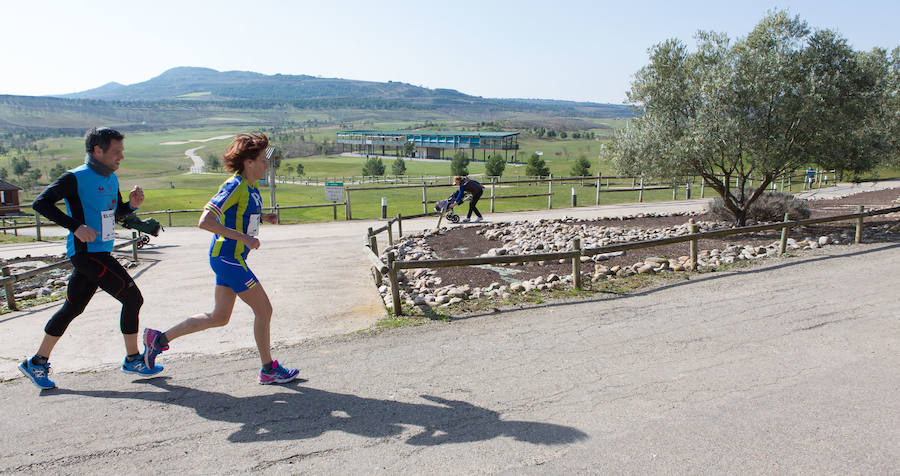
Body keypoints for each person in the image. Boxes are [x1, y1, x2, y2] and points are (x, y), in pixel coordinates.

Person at [142, 132, 299, 385]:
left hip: (231, 258)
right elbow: (205, 221)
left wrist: (265, 218)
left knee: (219, 317)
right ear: (248, 162)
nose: (265, 165)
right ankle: (268, 368)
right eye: (261, 160)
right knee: (264, 309)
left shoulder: (251, 187)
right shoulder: (234, 185)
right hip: (228, 258)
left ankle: (158, 340)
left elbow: (241, 218)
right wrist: (245, 239)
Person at [22, 127, 162, 389]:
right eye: (116, 151)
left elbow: (115, 213)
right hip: (86, 254)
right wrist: (75, 226)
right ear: (98, 151)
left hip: (100, 252)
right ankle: (132, 358)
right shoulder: (75, 177)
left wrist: (131, 206)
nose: (121, 156)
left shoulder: (110, 178)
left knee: (72, 308)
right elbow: (40, 203)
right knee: (133, 297)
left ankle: (37, 362)